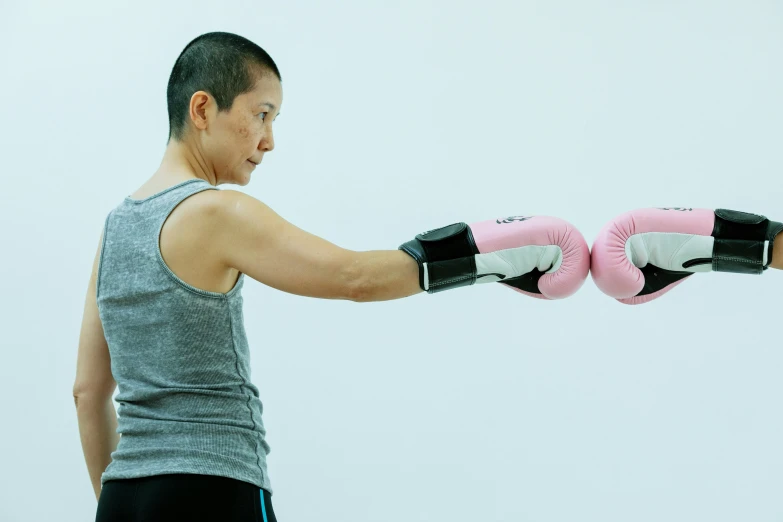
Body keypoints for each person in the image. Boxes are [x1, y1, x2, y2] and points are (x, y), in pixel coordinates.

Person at [72, 32, 591, 522]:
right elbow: (355, 277)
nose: (269, 140)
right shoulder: (217, 213)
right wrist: (487, 255)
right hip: (212, 487)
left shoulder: (115, 228)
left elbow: (87, 390)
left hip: (123, 498)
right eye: (261, 114)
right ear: (203, 108)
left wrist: (120, 504)